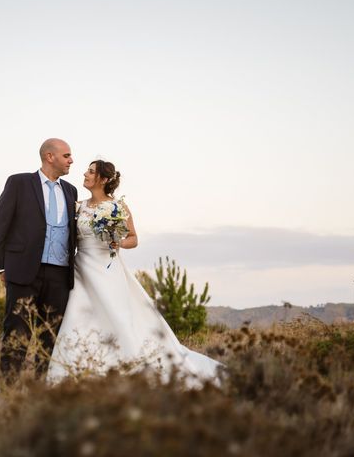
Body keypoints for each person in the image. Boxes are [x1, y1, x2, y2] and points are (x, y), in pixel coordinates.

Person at [47, 160, 223, 388]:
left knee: (116, 316)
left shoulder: (117, 208)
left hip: (108, 271)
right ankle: (74, 372)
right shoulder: (77, 206)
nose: (85, 174)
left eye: (90, 171)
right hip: (81, 269)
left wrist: (115, 240)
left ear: (102, 179)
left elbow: (133, 239)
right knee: (79, 315)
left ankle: (125, 365)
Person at [0, 138, 78, 381]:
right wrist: (0, 266)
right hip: (23, 270)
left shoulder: (71, 191)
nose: (71, 161)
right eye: (67, 156)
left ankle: (41, 390)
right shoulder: (19, 183)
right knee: (16, 333)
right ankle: (8, 391)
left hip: (59, 275)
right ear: (50, 157)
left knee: (50, 336)